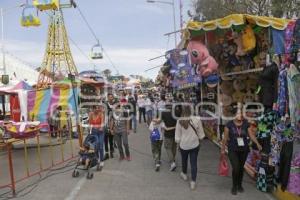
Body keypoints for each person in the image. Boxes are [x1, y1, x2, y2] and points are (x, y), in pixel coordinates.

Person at [221, 105, 262, 195]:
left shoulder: (246, 124)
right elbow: (225, 138)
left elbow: (251, 135)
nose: (241, 115)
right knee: (236, 168)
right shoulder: (229, 125)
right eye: (239, 113)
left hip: (244, 150)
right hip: (232, 149)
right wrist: (223, 149)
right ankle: (234, 186)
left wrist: (257, 143)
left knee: (241, 168)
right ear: (234, 115)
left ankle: (239, 185)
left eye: (241, 113)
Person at [175, 105, 205, 190]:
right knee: (194, 163)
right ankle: (193, 182)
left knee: (184, 160)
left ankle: (184, 174)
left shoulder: (179, 121)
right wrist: (200, 141)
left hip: (183, 145)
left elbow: (178, 136)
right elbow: (201, 134)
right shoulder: (197, 119)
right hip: (194, 145)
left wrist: (178, 145)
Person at [161, 104, 177, 171]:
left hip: (168, 133)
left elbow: (160, 121)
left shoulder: (163, 113)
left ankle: (172, 163)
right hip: (176, 133)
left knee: (168, 148)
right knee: (174, 147)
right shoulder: (177, 112)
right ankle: (173, 159)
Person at [104, 93, 116, 160]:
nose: (110, 98)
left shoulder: (115, 104)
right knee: (105, 140)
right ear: (107, 98)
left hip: (112, 123)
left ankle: (111, 151)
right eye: (109, 97)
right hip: (105, 123)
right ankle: (106, 153)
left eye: (111, 97)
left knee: (111, 139)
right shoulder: (105, 104)